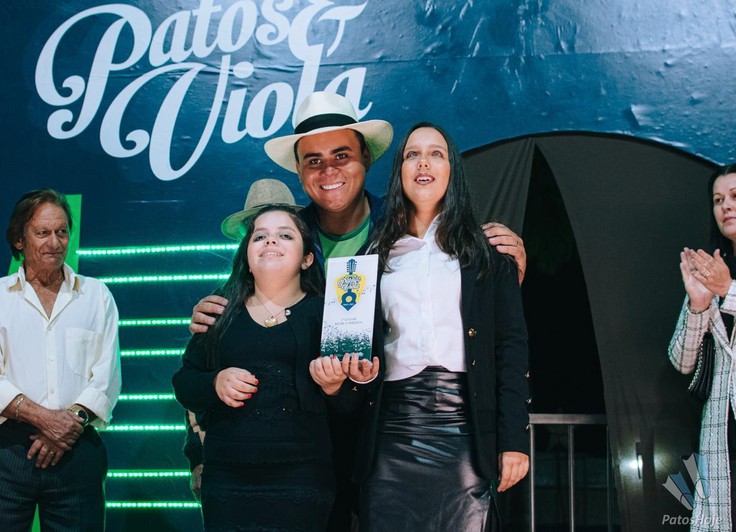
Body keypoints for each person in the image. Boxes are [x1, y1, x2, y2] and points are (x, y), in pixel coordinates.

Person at [189, 91, 528, 530]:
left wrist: (504, 267)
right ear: (299, 170)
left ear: (366, 157)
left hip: (378, 425)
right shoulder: (286, 234)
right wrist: (219, 309)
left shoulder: (401, 226)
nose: (328, 171)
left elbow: (495, 330)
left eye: (341, 155)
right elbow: (239, 316)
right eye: (313, 161)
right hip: (303, 445)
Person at [354, 123, 530, 530]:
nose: (423, 163)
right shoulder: (371, 257)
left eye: (436, 153)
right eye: (412, 154)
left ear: (453, 170)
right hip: (391, 428)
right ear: (399, 171)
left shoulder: (489, 254)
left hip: (465, 427)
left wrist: (514, 441)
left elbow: (511, 348)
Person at [172, 205, 375, 531]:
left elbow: (353, 407)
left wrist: (334, 387)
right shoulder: (218, 311)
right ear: (246, 256)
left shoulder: (332, 314)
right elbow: (184, 382)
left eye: (285, 235)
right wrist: (215, 383)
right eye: (260, 236)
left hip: (302, 478)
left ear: (307, 258)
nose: (270, 241)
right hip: (226, 478)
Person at [0, 188, 121, 530]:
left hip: (76, 448)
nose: (55, 242)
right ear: (19, 240)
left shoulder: (96, 296)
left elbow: (107, 377)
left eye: (62, 231)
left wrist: (67, 424)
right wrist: (48, 422)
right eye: (42, 232)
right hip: (5, 452)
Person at [669, 164, 736, 530]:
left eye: (735, 196)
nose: (726, 206)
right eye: (718, 199)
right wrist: (698, 304)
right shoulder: (712, 269)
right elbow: (681, 361)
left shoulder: (722, 280)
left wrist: (729, 291)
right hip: (721, 433)